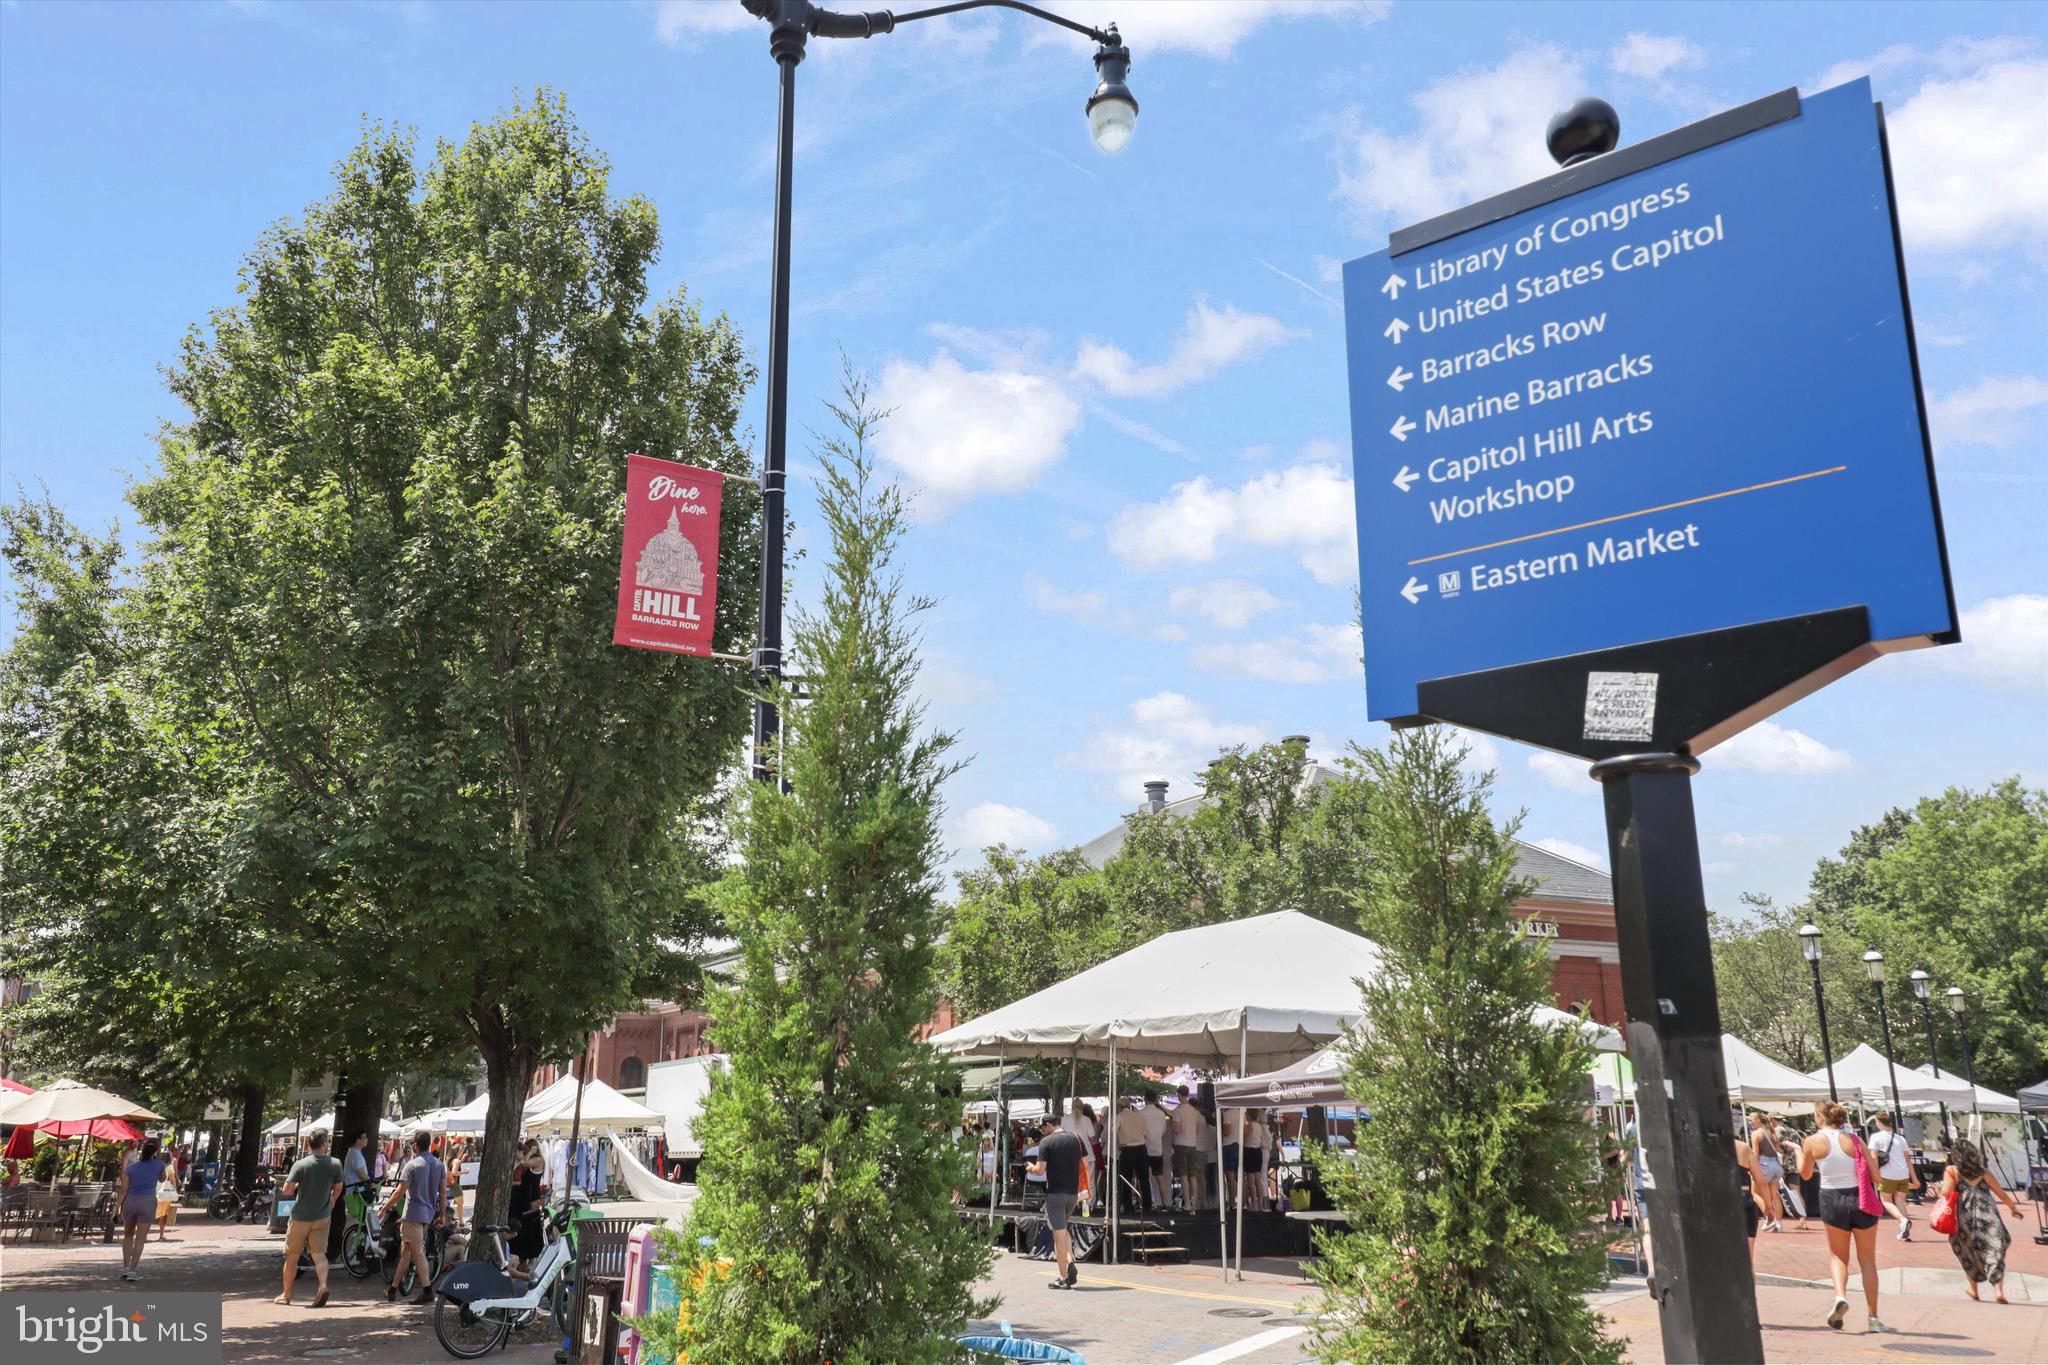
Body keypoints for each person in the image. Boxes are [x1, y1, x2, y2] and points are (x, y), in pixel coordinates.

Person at [1797, 1099, 1887, 1334]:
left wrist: (1799, 1152)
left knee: (1838, 1256)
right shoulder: (1855, 1141)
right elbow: (1877, 1177)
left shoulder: (1812, 1141)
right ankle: (1874, 1318)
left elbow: (1805, 1174)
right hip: (1861, 1198)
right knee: (1867, 1259)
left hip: (1831, 1198)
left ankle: (1839, 1296)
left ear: (1819, 1118)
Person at [1939, 1138, 2023, 1303]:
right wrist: (2014, 1209)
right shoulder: (1985, 1173)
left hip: (1964, 1217)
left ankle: (1973, 1289)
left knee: (1968, 1251)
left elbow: (1945, 1192)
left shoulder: (1952, 1171)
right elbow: (2002, 1194)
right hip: (1989, 1217)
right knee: (1994, 1251)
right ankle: (1998, 1290)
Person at [380, 1130, 446, 1305]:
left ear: (415, 1145)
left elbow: (399, 1192)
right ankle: (393, 1290)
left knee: (416, 1252)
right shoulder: (439, 1165)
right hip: (428, 1215)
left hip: (413, 1214)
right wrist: (443, 1214)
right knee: (406, 1253)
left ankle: (427, 1290)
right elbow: (442, 1193)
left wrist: (384, 1208)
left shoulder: (412, 1165)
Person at [278, 1130, 343, 1307]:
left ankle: (286, 1295)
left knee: (292, 1256)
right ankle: (322, 1285)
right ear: (323, 1143)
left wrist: (298, 1185)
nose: (328, 1144)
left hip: (300, 1217)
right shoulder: (335, 1164)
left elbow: (287, 1190)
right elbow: (338, 1187)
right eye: (327, 1141)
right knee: (319, 1255)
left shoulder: (300, 1164)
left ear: (310, 1145)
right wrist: (332, 1202)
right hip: (322, 1216)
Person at [1027, 1116, 1084, 1290]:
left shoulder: (1047, 1142)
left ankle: (1063, 1277)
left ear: (1049, 1125)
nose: (1043, 1131)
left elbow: (1040, 1170)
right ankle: (1070, 1262)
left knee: (1058, 1236)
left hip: (1055, 1194)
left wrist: (1030, 1167)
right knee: (1064, 1228)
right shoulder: (1075, 1138)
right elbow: (1084, 1164)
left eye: (1044, 1127)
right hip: (1073, 1193)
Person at [115, 1138, 167, 1282]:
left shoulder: (131, 1168)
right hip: (147, 1202)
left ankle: (125, 1268)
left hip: (130, 1202)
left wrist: (116, 1209)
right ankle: (132, 1270)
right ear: (155, 1151)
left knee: (128, 1236)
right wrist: (160, 1159)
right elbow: (163, 1179)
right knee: (140, 1238)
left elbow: (123, 1189)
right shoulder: (159, 1164)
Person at [1868, 1112, 1919, 1240]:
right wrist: (1915, 1178)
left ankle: (1903, 1221)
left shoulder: (1876, 1137)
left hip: (1886, 1173)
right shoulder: (1900, 1138)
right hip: (1902, 1174)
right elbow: (1908, 1159)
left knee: (1886, 1201)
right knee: (1900, 1201)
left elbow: (1874, 1157)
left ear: (1879, 1122)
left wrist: (1875, 1173)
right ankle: (1904, 1231)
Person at [507, 1138, 548, 1275]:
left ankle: (528, 1261)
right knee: (522, 1230)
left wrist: (530, 1153)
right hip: (523, 1202)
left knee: (529, 1230)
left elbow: (524, 1163)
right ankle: (522, 1260)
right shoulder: (525, 1164)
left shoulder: (538, 1160)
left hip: (530, 1202)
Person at [1748, 1112, 1786, 1232]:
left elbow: (1755, 1154)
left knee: (1755, 1193)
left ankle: (1770, 1218)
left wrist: (1750, 1168)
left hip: (1764, 1165)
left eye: (1751, 1120)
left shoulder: (1756, 1134)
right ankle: (1779, 1224)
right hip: (1776, 1165)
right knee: (1774, 1195)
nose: (1750, 1122)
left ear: (1759, 1120)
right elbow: (1777, 1150)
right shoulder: (1772, 1132)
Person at [1112, 1098, 1150, 1213]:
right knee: (1144, 1179)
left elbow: (1113, 1131)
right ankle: (1147, 1206)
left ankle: (1128, 1206)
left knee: (1126, 1179)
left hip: (1127, 1149)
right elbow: (1145, 1134)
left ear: (1119, 1106)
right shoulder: (1139, 1116)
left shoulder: (1119, 1117)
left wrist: (1118, 1143)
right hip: (1141, 1148)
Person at [1169, 1086, 1202, 1213]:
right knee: (1192, 1175)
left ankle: (1187, 1203)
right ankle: (1194, 1203)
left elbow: (1177, 1129)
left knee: (1183, 1175)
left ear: (1179, 1095)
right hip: (1192, 1145)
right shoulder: (1195, 1112)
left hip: (1181, 1145)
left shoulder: (1178, 1110)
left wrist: (1173, 1125)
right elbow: (1197, 1129)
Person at [1733, 1127, 1762, 1263]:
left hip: (1724, 1205)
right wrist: (1768, 1207)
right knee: (1748, 1260)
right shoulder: (1744, 1147)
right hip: (1745, 1200)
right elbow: (1760, 1180)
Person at [1140, 1093, 1170, 1212]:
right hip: (1158, 1148)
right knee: (1160, 1177)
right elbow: (1163, 1130)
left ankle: (1146, 1204)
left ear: (1145, 1099)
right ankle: (1164, 1203)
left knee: (1144, 1177)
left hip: (1144, 1147)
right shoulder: (1161, 1114)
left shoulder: (1141, 1113)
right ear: (1156, 1099)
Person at [1218, 1102, 1242, 1210]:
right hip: (1239, 1145)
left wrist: (1220, 1129)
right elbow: (1246, 1130)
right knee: (1239, 1177)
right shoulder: (1241, 1113)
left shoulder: (1228, 1114)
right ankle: (1242, 1202)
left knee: (1230, 1177)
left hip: (1229, 1145)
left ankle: (1234, 1202)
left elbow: (1227, 1132)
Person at [1243, 1111, 1267, 1212]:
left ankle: (1254, 1203)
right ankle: (1260, 1203)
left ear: (1248, 1115)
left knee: (1251, 1180)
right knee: (1258, 1179)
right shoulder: (1259, 1126)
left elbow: (1245, 1136)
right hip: (1258, 1151)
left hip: (1250, 1151)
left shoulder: (1250, 1125)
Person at [154, 1164, 181, 1242]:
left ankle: (144, 1236)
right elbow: (172, 1180)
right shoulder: (169, 1167)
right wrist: (175, 1192)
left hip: (153, 1191)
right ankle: (161, 1235)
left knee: (150, 1213)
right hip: (164, 1193)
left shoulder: (153, 1165)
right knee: (163, 1214)